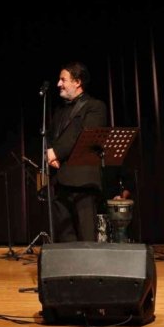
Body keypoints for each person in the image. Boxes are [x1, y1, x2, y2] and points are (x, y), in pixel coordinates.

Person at [46, 61, 107, 242]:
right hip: (60, 180)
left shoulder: (95, 106)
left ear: (77, 82)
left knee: (86, 237)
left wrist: (56, 152)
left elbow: (83, 136)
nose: (58, 84)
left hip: (82, 181)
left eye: (63, 79)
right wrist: (49, 153)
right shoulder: (60, 110)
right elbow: (50, 137)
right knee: (65, 239)